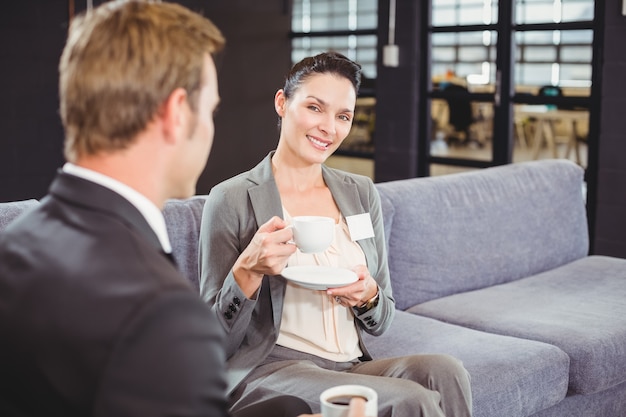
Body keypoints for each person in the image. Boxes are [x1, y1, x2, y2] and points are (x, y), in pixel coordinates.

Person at [0, 1, 323, 416]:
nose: (210, 128)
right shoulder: (162, 315)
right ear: (175, 114)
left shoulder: (14, 245)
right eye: (210, 111)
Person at [199, 52, 473, 417]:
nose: (329, 127)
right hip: (272, 367)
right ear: (282, 103)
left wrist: (368, 296)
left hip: (349, 364)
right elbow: (212, 342)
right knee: (412, 401)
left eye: (343, 116)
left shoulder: (360, 193)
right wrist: (247, 270)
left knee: (447, 372)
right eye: (315, 108)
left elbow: (383, 316)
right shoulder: (231, 198)